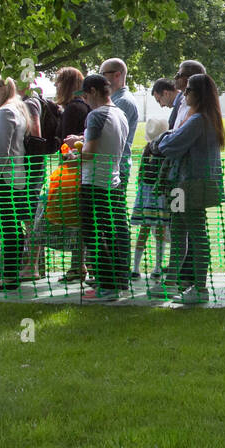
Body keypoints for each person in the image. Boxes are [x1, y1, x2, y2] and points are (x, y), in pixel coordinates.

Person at [151, 72, 225, 304]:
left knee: (195, 233)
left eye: (190, 89)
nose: (185, 93)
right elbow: (171, 140)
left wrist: (161, 140)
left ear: (199, 94)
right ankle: (172, 281)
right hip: (181, 183)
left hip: (191, 184)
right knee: (179, 230)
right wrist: (167, 138)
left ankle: (200, 288)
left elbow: (170, 145)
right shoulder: (202, 118)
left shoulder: (198, 120)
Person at [66, 74, 131, 302]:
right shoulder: (120, 114)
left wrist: (72, 156)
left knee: (95, 235)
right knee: (114, 234)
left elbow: (90, 153)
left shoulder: (96, 115)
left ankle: (107, 285)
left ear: (93, 91)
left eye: (85, 94)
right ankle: (119, 281)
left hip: (93, 183)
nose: (84, 99)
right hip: (112, 182)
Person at [0, 75, 32, 292]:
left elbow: (3, 150)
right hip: (13, 177)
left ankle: (9, 276)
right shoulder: (15, 109)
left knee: (9, 228)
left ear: (2, 88)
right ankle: (10, 275)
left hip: (5, 179)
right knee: (11, 228)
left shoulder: (5, 112)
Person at [100, 57, 140, 287]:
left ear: (117, 75)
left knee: (115, 221)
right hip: (112, 166)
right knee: (111, 220)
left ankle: (119, 273)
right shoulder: (116, 99)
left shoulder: (123, 101)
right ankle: (115, 272)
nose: (100, 78)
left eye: (104, 73)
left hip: (115, 168)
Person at [53, 66, 90, 283]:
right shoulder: (84, 106)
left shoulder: (73, 109)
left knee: (75, 218)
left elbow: (65, 143)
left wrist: (65, 157)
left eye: (58, 82)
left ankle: (78, 266)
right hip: (82, 168)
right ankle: (84, 264)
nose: (56, 86)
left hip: (72, 170)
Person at [130, 117, 170, 282]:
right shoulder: (164, 149)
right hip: (158, 193)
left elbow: (141, 174)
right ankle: (156, 267)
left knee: (144, 230)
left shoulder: (148, 149)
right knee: (159, 230)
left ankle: (136, 268)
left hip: (147, 193)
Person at [169, 60, 206, 129]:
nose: (175, 77)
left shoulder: (199, 110)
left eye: (178, 75)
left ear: (191, 78)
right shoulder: (181, 101)